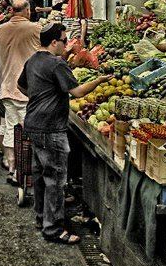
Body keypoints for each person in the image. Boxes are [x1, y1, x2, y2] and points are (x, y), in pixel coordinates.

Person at [18, 23, 112, 244]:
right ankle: (53, 229)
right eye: (63, 39)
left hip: (33, 123)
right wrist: (99, 80)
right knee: (56, 179)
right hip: (51, 128)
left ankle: (42, 218)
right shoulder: (56, 63)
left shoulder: (33, 60)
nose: (66, 43)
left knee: (40, 176)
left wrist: (40, 96)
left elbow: (21, 86)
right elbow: (77, 92)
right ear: (53, 42)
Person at [0, 0, 42, 184]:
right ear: (27, 11)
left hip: (6, 87)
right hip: (28, 90)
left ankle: (13, 167)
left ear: (12, 11)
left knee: (10, 126)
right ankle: (25, 171)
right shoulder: (36, 28)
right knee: (27, 131)